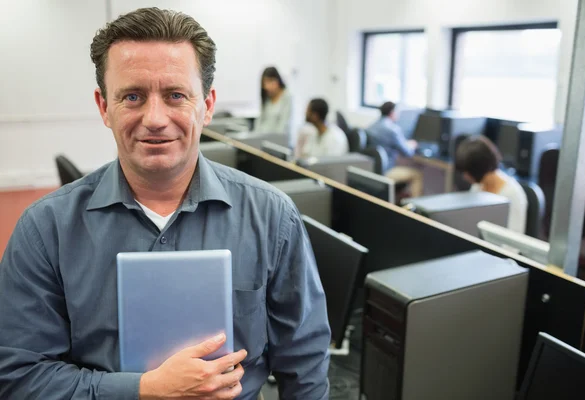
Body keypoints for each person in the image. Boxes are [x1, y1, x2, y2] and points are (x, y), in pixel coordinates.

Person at [0, 8, 330, 400]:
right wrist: (141, 390)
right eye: (133, 96)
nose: (155, 118)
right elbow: (19, 376)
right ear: (104, 106)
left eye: (175, 95)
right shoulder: (46, 230)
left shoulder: (273, 218)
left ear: (207, 105)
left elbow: (305, 367)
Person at [455, 136, 528, 234]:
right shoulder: (478, 187)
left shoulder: (513, 194)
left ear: (477, 168)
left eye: (467, 172)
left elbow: (514, 242)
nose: (465, 177)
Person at [367, 101, 423, 197]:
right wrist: (412, 145)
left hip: (373, 169)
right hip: (386, 171)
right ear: (392, 112)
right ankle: (414, 208)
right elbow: (407, 152)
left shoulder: (371, 126)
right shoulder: (393, 130)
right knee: (417, 175)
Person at [254, 67, 293, 139]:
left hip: (277, 141)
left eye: (269, 81)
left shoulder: (286, 97)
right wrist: (255, 138)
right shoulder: (267, 98)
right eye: (264, 83)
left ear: (277, 80)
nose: (266, 86)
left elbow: (283, 126)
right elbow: (259, 122)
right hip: (262, 140)